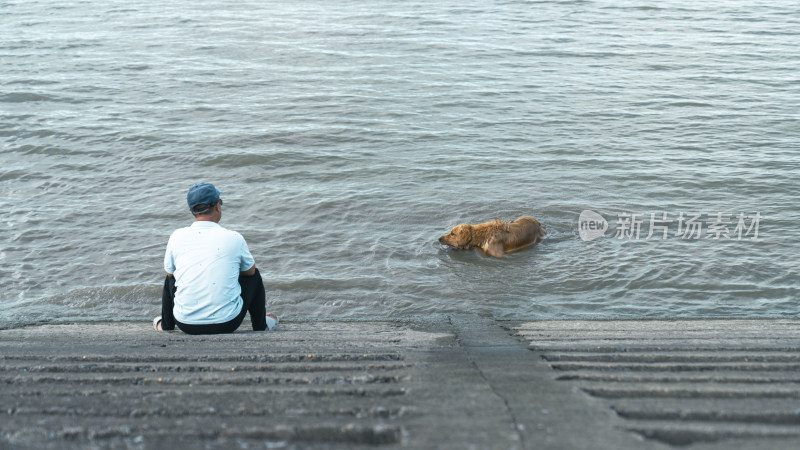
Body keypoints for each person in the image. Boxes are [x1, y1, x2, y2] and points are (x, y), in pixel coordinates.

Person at [153, 182, 278, 334]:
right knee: (254, 275)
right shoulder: (234, 238)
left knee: (170, 278)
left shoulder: (176, 237)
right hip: (227, 323)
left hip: (186, 324)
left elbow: (170, 275)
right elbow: (250, 273)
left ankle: (166, 326)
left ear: (192, 211)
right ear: (217, 206)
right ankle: (260, 326)